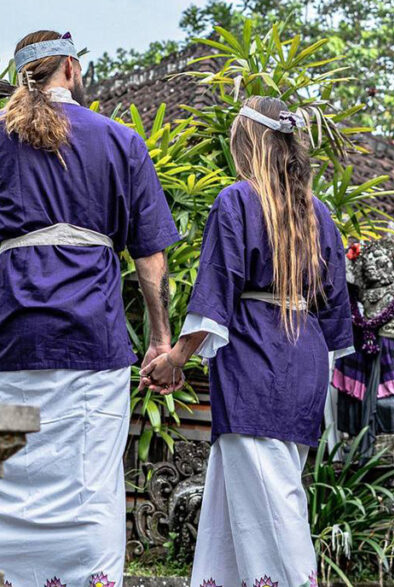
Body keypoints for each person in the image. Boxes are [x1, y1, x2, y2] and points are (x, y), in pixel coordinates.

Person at [0, 30, 180, 587]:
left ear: (21, 76)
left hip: (14, 334)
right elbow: (150, 260)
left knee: (6, 472)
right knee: (93, 481)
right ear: (72, 70)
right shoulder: (120, 141)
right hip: (93, 334)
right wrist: (159, 339)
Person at [141, 96, 354, 586]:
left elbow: (217, 290)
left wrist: (176, 357)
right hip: (305, 359)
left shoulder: (237, 200)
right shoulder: (320, 213)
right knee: (237, 512)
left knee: (273, 515)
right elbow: (336, 313)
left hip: (256, 360)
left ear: (246, 144)